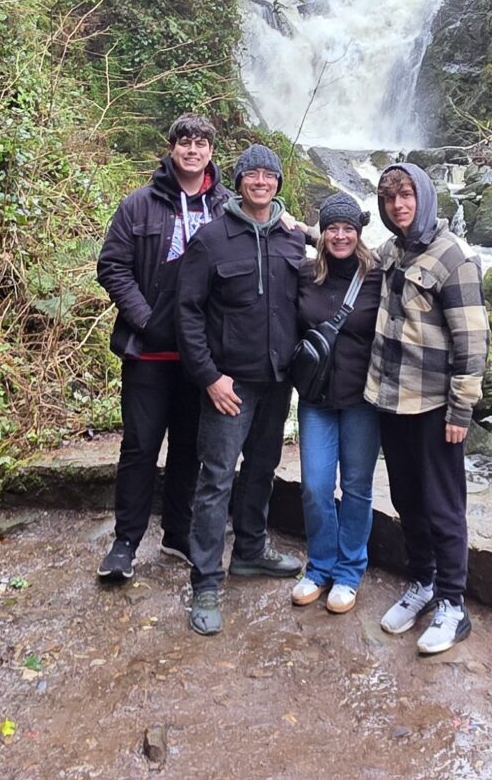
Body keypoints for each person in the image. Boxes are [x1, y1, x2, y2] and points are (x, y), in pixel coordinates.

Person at [174, 143, 307, 635]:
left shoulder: (293, 239)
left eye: (269, 175)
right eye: (251, 175)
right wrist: (209, 376)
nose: (261, 182)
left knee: (263, 469)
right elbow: (187, 313)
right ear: (238, 181)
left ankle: (250, 551)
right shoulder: (212, 239)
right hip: (230, 385)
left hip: (278, 380)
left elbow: (335, 257)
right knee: (216, 480)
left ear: (278, 183)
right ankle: (206, 581)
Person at [93, 115, 230, 582]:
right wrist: (145, 320)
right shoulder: (139, 204)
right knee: (139, 448)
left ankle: (177, 532)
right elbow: (112, 266)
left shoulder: (226, 207)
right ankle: (125, 542)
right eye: (185, 143)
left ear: (212, 151)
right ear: (172, 149)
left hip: (201, 359)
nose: (193, 150)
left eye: (201, 143)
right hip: (148, 352)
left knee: (190, 448)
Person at [365, 162, 487, 655]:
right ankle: (423, 583)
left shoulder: (453, 256)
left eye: (407, 195)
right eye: (391, 198)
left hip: (435, 406)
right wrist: (301, 230)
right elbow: (349, 250)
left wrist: (461, 412)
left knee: (443, 506)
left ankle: (453, 606)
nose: (399, 205)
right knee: (407, 500)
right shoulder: (393, 250)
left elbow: (473, 342)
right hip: (393, 400)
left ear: (425, 197)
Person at [290, 192, 385, 615]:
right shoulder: (305, 273)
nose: (341, 235)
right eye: (333, 228)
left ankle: (349, 573)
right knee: (314, 487)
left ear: (359, 233)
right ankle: (320, 567)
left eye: (348, 228)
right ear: (322, 233)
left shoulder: (378, 274)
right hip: (316, 400)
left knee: (357, 489)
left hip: (363, 400)